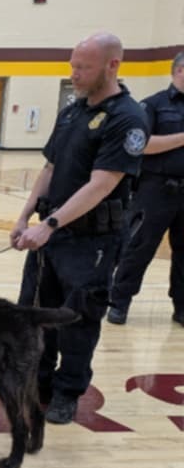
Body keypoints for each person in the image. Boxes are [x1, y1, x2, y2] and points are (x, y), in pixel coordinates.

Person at [11, 32, 148, 425]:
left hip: (92, 241)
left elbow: (101, 185)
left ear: (112, 65)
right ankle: (37, 381)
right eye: (72, 66)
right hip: (51, 235)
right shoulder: (72, 112)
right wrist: (25, 216)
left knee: (78, 318)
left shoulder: (127, 118)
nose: (74, 74)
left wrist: (50, 224)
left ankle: (67, 392)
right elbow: (50, 168)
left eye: (83, 67)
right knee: (37, 312)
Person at [107, 51, 184, 327]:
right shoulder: (153, 105)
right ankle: (119, 302)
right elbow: (143, 145)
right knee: (138, 247)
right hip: (156, 189)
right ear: (179, 71)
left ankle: (181, 307)